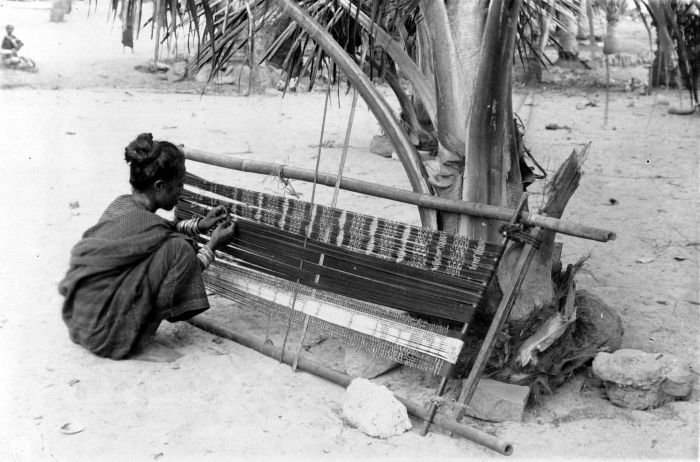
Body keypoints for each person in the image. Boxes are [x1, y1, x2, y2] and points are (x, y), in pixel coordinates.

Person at [59, 133, 236, 360]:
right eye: (179, 185)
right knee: (180, 249)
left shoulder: (121, 204)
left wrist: (201, 225)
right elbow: (181, 269)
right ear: (160, 186)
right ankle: (136, 341)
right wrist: (213, 245)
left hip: (80, 320)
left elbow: (163, 227)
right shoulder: (157, 231)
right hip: (105, 334)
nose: (182, 191)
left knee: (170, 247)